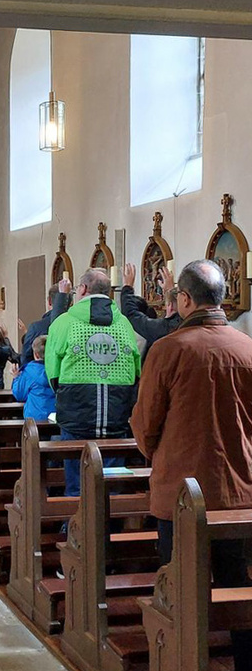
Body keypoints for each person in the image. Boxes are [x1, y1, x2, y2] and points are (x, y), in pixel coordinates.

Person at [131, 259, 252, 671]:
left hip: (180, 495)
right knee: (239, 582)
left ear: (183, 299)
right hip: (240, 495)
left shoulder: (168, 350)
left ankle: (180, 661)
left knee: (179, 584)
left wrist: (156, 456)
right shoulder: (248, 347)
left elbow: (145, 424)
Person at [45, 268, 140, 496]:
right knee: (112, 479)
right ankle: (112, 526)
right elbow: (136, 369)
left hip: (76, 415)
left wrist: (65, 393)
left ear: (83, 289)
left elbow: (52, 371)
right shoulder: (124, 324)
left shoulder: (64, 322)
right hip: (116, 415)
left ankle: (76, 526)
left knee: (78, 479)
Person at [120, 263, 181, 361]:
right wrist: (170, 292)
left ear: (169, 306)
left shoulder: (164, 328)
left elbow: (132, 314)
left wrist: (127, 288)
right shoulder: (191, 325)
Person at [20, 280, 71, 367]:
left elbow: (25, 359)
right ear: (71, 303)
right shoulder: (76, 325)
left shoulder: (36, 328)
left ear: (50, 301)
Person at [11, 335, 56, 421]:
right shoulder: (58, 369)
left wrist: (16, 378)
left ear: (35, 354)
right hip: (56, 416)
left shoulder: (29, 371)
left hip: (35, 418)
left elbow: (20, 395)